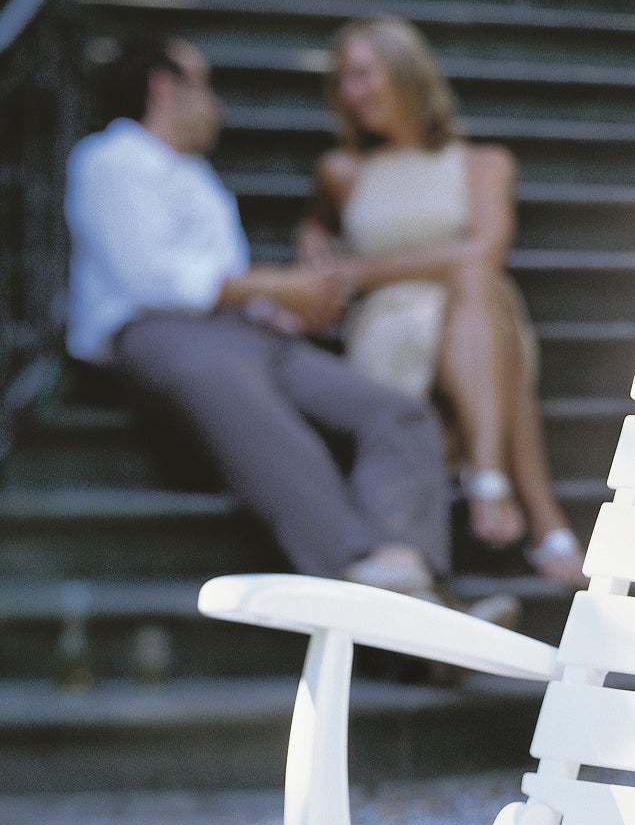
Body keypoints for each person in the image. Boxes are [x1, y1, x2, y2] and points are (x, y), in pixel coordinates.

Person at [65, 33, 510, 613]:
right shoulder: (111, 160)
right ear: (164, 87)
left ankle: (405, 573)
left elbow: (223, 281)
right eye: (205, 86)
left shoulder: (196, 177)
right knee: (255, 405)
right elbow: (156, 281)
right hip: (158, 336)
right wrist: (276, 285)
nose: (216, 105)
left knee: (397, 414)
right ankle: (360, 570)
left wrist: (281, 307)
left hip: (242, 334)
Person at [296, 17, 586, 587]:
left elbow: (486, 249)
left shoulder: (484, 164)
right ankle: (527, 506)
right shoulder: (342, 172)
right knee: (484, 309)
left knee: (479, 287)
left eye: (362, 74)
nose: (351, 93)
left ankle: (487, 481)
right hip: (390, 333)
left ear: (405, 73)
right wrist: (315, 247)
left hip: (472, 319)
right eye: (341, 82)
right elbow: (319, 247)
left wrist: (367, 270)